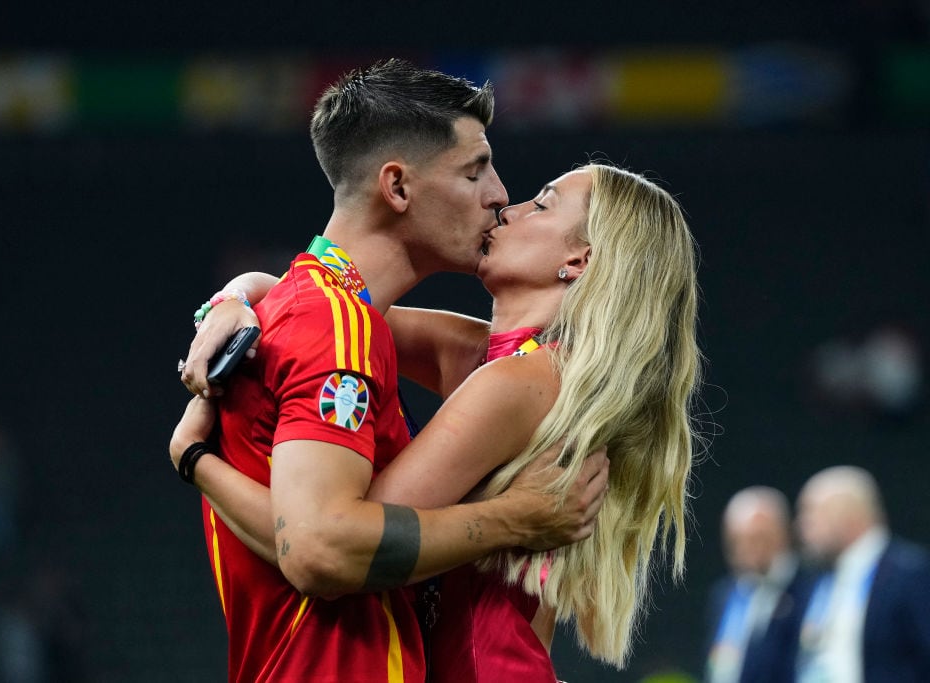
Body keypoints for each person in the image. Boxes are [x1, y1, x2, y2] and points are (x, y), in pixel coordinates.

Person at [169, 59, 609, 683]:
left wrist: (197, 456)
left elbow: (320, 540)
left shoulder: (337, 317)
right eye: (474, 170)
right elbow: (321, 546)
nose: (500, 195)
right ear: (398, 188)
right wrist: (230, 300)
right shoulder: (337, 325)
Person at [176, 161, 700, 679]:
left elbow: (342, 548)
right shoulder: (496, 358)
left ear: (579, 260)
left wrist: (197, 459)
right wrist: (231, 299)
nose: (507, 209)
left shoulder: (518, 383)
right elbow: (308, 300)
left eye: (540, 205)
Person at [795, 465, 930, 683]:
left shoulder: (910, 574)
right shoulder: (819, 582)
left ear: (846, 514)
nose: (801, 525)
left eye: (810, 512)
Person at [703, 486, 812, 683]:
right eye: (736, 540)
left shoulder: (807, 589)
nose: (746, 549)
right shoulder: (725, 594)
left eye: (758, 538)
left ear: (784, 534)